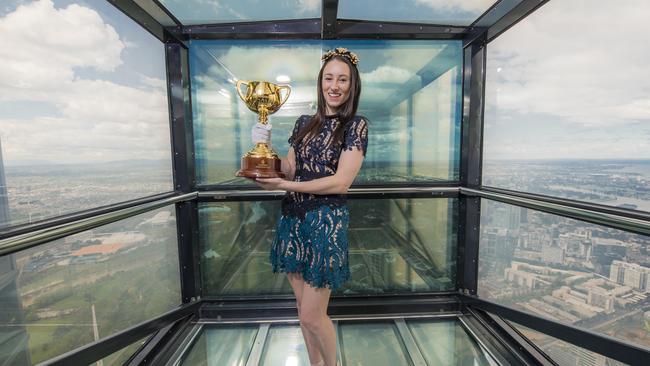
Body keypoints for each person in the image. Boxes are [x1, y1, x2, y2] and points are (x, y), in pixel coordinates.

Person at [252, 47, 368, 366]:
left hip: (325, 223)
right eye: (329, 78)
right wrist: (266, 150)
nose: (335, 85)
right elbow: (290, 167)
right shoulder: (304, 123)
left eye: (342, 79)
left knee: (315, 316)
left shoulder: (355, 126)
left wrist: (284, 185)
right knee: (303, 316)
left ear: (352, 85)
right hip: (293, 221)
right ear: (320, 83)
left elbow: (340, 182)